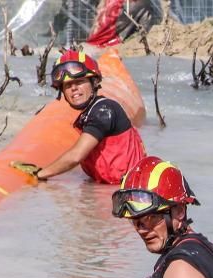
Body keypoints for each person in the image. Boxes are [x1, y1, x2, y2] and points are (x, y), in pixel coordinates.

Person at [36, 49, 146, 184]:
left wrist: (40, 174)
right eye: (68, 85)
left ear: (94, 83)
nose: (74, 88)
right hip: (112, 186)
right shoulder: (89, 113)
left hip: (132, 188)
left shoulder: (104, 111)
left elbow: (76, 156)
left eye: (80, 82)